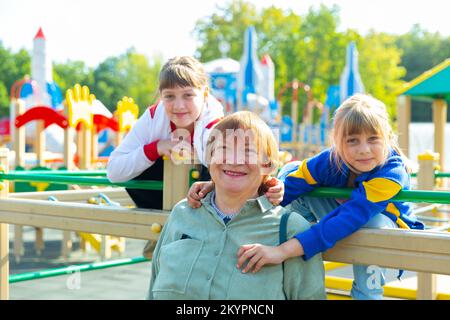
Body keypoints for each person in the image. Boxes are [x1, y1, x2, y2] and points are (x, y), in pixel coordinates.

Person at [235, 94, 425, 300]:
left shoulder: (391, 172)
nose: (364, 149)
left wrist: (283, 251)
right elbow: (289, 187)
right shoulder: (331, 160)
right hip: (343, 217)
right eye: (352, 140)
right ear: (337, 141)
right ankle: (286, 239)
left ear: (387, 138)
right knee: (291, 171)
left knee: (372, 221)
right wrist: (224, 194)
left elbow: (349, 218)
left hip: (383, 229)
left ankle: (367, 294)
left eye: (373, 139)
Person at [148, 111, 326, 300]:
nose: (233, 160)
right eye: (224, 149)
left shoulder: (290, 230)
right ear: (209, 158)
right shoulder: (182, 213)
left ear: (268, 164)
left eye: (247, 151)